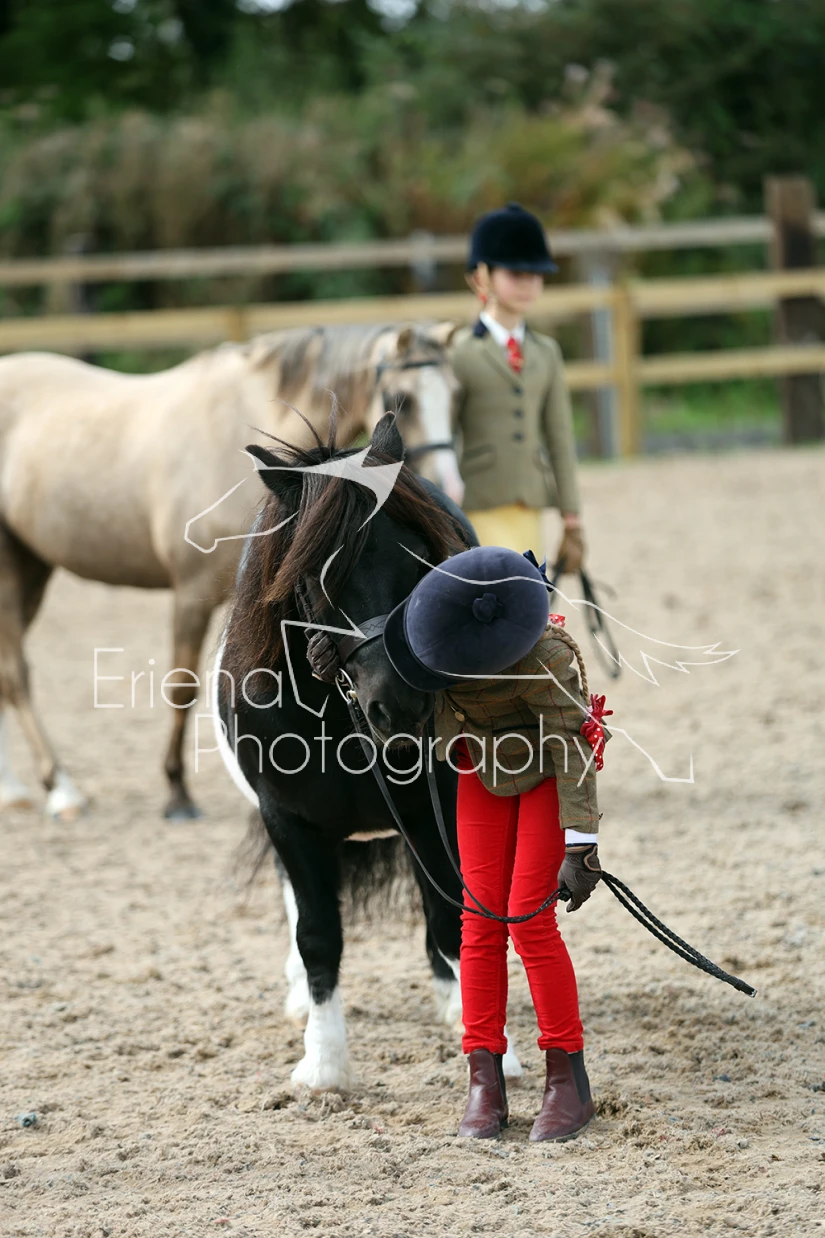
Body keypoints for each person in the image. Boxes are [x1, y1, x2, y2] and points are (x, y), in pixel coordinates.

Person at [384, 544, 609, 1142]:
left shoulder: (549, 655)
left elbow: (572, 745)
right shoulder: (426, 640)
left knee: (528, 917)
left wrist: (581, 845)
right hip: (478, 765)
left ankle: (568, 1080)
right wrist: (338, 671)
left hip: (547, 770)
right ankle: (484, 1080)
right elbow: (391, 685)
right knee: (479, 917)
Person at [450, 202, 585, 574]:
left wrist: (572, 518)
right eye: (516, 274)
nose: (529, 284)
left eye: (536, 274)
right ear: (482, 276)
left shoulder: (546, 352)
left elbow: (559, 436)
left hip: (529, 501)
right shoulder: (459, 352)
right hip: (475, 503)